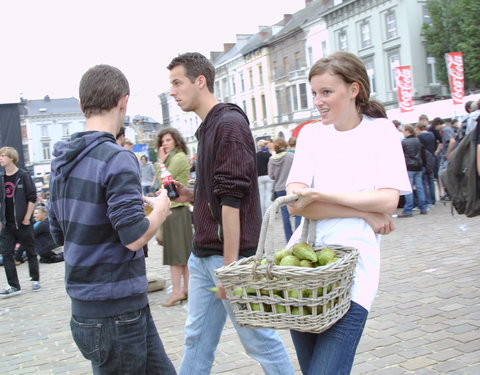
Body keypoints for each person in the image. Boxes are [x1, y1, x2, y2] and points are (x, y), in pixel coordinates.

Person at [167, 52, 294, 375]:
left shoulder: (229, 124)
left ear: (200, 81)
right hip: (203, 256)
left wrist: (229, 269)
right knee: (196, 339)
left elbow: (233, 201)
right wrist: (192, 194)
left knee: (259, 341)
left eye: (177, 82)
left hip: (228, 260)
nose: (172, 91)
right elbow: (220, 195)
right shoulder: (208, 127)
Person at [285, 51, 411, 375]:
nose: (318, 101)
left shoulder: (381, 131)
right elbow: (296, 203)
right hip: (303, 264)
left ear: (353, 89)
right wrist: (363, 213)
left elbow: (388, 200)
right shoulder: (311, 135)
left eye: (326, 92)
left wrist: (322, 196)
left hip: (355, 268)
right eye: (314, 93)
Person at [48, 64, 176, 374]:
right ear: (124, 101)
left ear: (81, 106)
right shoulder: (117, 157)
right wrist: (160, 209)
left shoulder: (62, 162)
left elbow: (58, 234)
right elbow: (133, 236)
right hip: (115, 310)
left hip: (98, 306)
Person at [155, 127, 192, 307]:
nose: (165, 144)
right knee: (181, 255)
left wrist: (160, 162)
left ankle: (178, 291)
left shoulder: (176, 158)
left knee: (176, 255)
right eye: (163, 141)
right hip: (176, 208)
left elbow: (163, 180)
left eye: (168, 140)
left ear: (176, 141)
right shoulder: (175, 157)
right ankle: (186, 289)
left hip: (177, 209)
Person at [0, 146, 41, 297]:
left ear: (12, 158)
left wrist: (26, 218)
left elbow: (32, 197)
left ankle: (35, 280)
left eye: (3, 156)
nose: (1, 158)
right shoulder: (1, 178)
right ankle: (13, 285)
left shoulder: (23, 175)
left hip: (23, 223)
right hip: (7, 224)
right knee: (6, 254)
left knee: (31, 251)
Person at [268, 138, 301, 242]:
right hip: (292, 187)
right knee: (298, 211)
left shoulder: (272, 159)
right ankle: (298, 237)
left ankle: (289, 239)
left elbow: (271, 176)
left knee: (285, 215)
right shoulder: (291, 156)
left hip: (279, 189)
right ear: (285, 146)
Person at [399, 125, 428, 217]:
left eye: (404, 131)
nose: (403, 133)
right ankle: (423, 207)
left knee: (408, 189)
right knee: (420, 187)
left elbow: (401, 156)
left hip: (409, 167)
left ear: (407, 131)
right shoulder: (417, 141)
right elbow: (423, 154)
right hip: (418, 166)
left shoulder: (404, 142)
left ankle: (408, 209)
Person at [415, 122, 437, 205]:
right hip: (431, 158)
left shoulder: (419, 136)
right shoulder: (431, 134)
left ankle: (428, 201)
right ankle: (433, 200)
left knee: (424, 182)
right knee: (431, 180)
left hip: (424, 159)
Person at [256, 139, 273, 216]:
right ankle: (269, 213)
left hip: (260, 177)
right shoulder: (269, 155)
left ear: (259, 146)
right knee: (268, 195)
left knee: (261, 196)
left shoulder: (256, 155)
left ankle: (262, 214)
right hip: (268, 176)